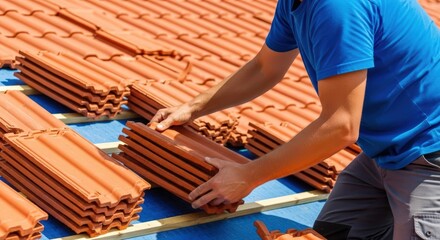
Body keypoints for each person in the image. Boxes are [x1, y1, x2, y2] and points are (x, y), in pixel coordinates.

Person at [150, 0, 440, 239]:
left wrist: (247, 176)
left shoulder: (337, 8)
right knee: (333, 234)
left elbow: (340, 127)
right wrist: (192, 108)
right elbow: (265, 68)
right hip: (386, 150)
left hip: (430, 153)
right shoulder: (295, 2)